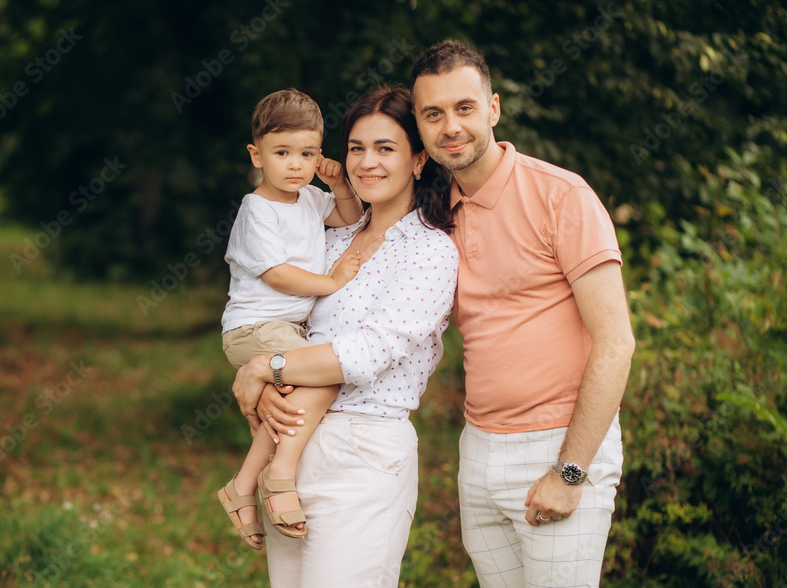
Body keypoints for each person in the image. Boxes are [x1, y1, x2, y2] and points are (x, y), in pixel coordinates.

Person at [410, 39, 636, 587]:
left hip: (559, 444)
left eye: (464, 108)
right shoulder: (437, 215)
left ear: (493, 108)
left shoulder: (561, 196)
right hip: (479, 449)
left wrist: (571, 469)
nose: (451, 127)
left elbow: (616, 341)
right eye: (432, 114)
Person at [233, 85, 458, 587]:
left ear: (419, 160)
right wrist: (266, 380)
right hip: (291, 444)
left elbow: (371, 351)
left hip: (363, 452)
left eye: (385, 148)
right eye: (356, 147)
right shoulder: (330, 237)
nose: (366, 162)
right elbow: (276, 313)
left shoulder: (429, 250)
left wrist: (265, 369)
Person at [216, 88, 365, 550]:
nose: (296, 165)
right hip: (252, 329)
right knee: (328, 371)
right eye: (282, 153)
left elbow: (349, 215)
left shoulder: (310, 198)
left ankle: (241, 486)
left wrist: (340, 185)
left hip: (281, 332)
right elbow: (279, 276)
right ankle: (278, 474)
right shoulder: (256, 209)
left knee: (288, 402)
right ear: (256, 155)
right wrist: (333, 280)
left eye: (308, 154)